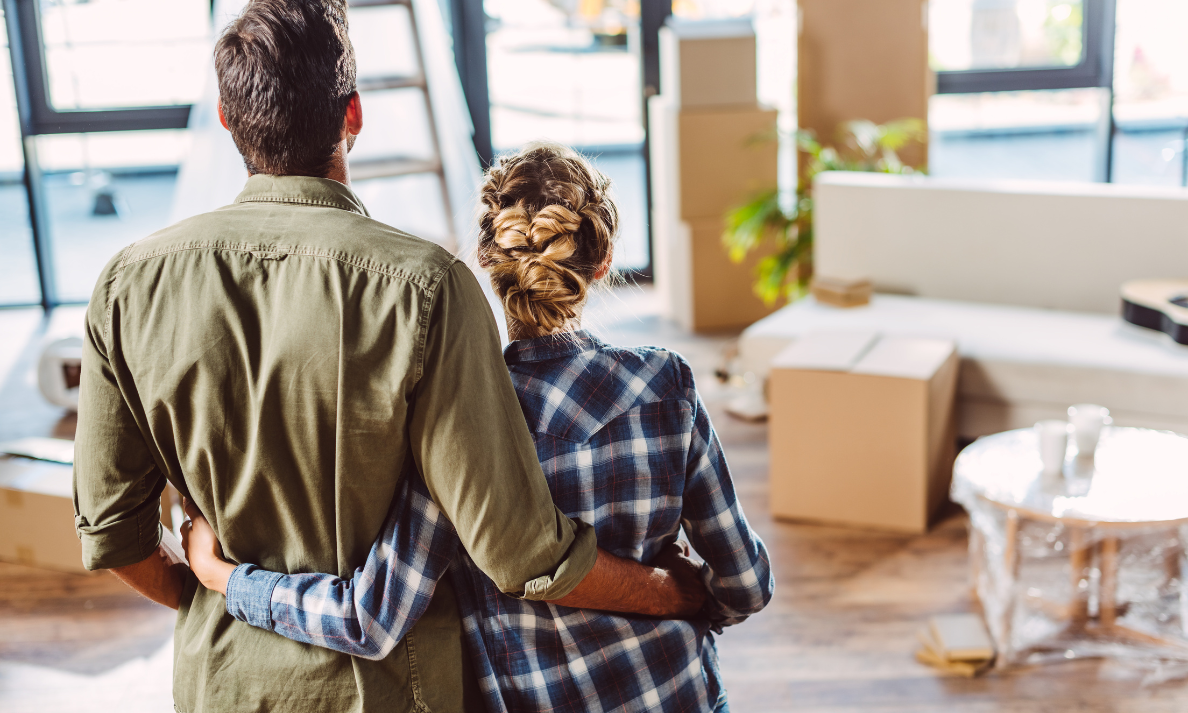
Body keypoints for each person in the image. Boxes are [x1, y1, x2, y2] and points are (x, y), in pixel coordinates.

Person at [70, 3, 706, 712]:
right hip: (391, 692)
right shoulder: (427, 288)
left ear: (226, 119)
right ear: (354, 115)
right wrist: (670, 590)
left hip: (222, 684)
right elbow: (518, 548)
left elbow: (114, 535)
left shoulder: (129, 284)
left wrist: (226, 591)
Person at [181, 142, 775, 712]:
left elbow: (371, 617)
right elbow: (745, 583)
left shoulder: (455, 418)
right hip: (680, 694)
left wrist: (227, 579)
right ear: (604, 263)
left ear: (488, 263)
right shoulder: (666, 385)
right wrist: (684, 596)